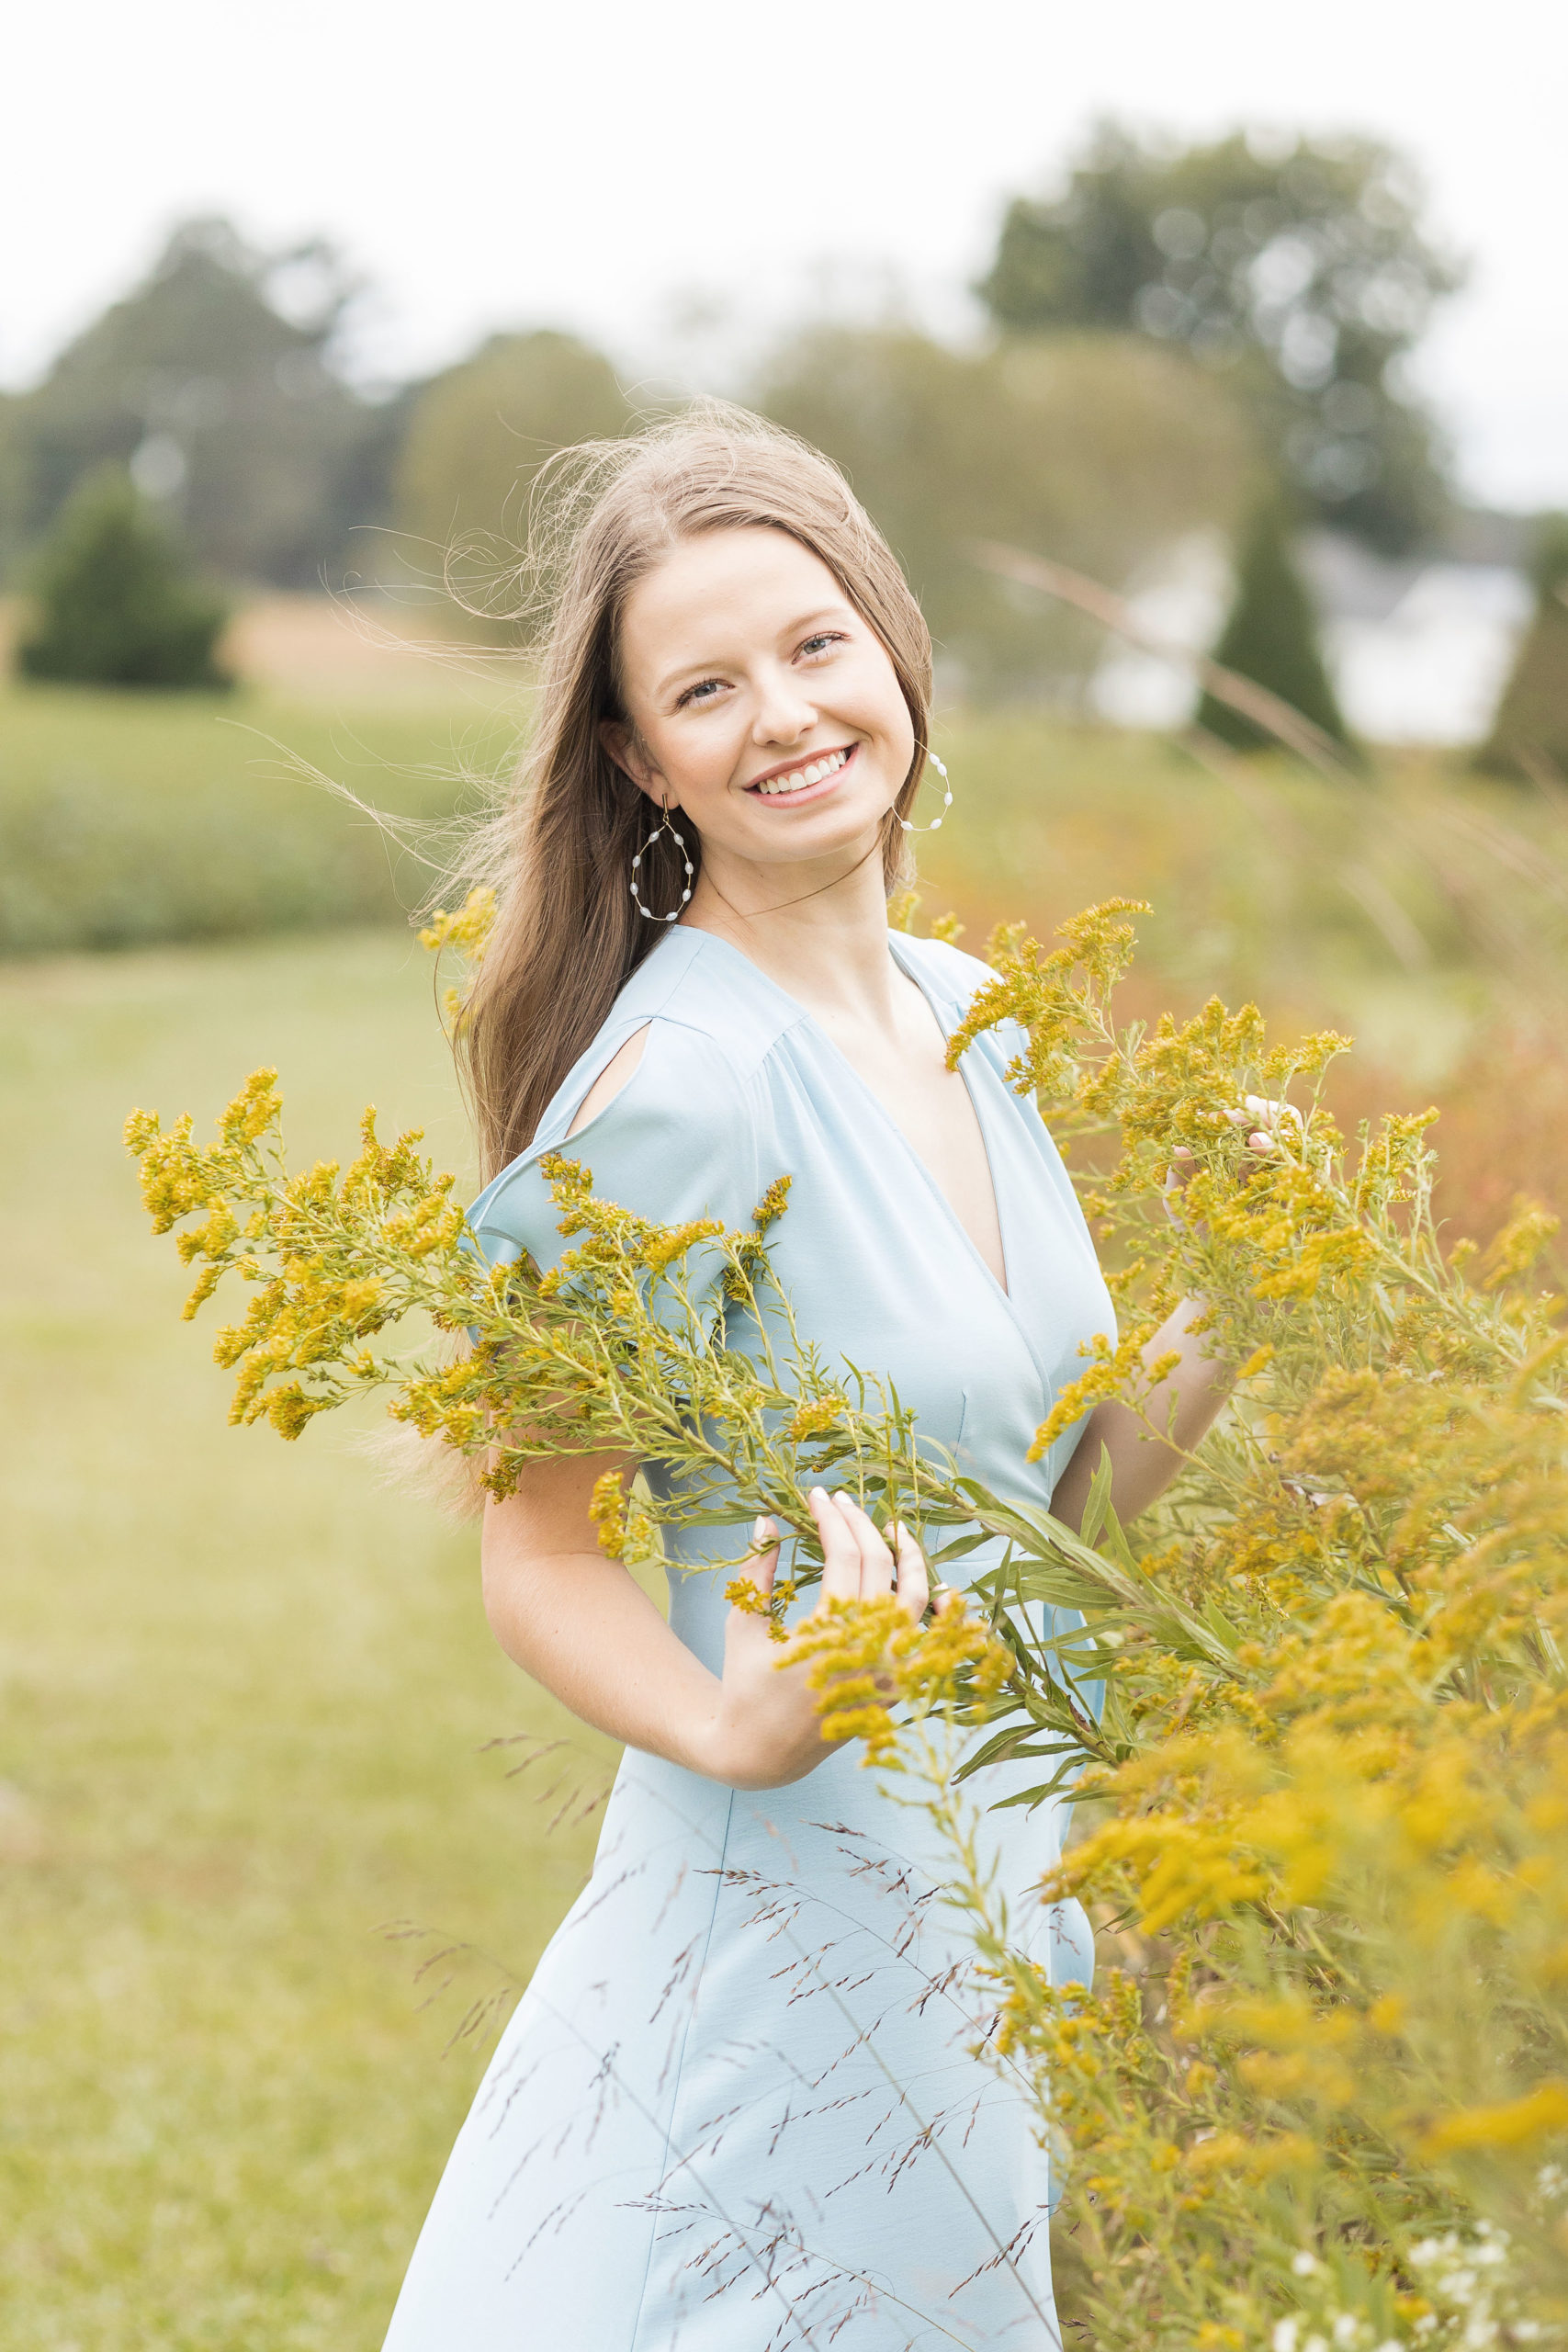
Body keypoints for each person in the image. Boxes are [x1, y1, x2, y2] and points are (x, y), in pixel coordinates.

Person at [383, 408, 1235, 2349]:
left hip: (983, 1905)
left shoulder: (966, 1014)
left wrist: (1243, 1305)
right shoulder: (677, 1091)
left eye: (812, 643)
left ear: (891, 642)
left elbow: (1040, 1519)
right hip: (788, 1937)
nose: (779, 711)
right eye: (702, 685)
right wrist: (730, 1728)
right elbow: (538, 1549)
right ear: (637, 757)